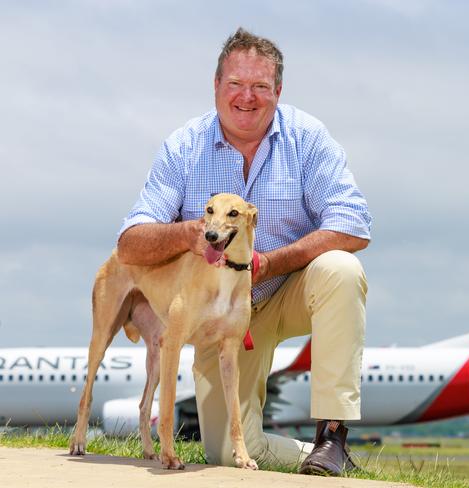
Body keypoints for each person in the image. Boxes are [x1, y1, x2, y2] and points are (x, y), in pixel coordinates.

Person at [116, 27, 371, 476]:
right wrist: (191, 233)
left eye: (259, 86)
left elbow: (353, 224)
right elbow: (129, 242)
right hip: (218, 313)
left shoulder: (307, 137)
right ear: (216, 86)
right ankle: (314, 459)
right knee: (224, 453)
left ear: (278, 91)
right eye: (235, 84)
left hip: (284, 289)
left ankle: (332, 437)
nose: (246, 97)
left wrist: (271, 263)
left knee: (341, 270)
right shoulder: (184, 146)